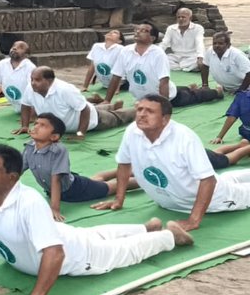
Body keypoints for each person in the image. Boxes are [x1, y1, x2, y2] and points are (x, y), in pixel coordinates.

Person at [0, 144, 192, 295]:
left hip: (77, 259)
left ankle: (169, 236)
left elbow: (56, 254)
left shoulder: (28, 203)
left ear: (12, 177)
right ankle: (143, 227)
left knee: (122, 252)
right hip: (67, 236)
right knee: (91, 233)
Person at [93, 95, 250, 230]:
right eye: (140, 109)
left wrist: (193, 220)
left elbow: (208, 180)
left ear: (165, 119)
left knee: (228, 185)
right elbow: (124, 164)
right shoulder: (133, 131)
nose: (142, 114)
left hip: (216, 201)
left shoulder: (184, 137)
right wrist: (119, 199)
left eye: (150, 111)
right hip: (170, 202)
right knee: (229, 178)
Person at [23, 114, 117, 221]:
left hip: (75, 189)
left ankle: (136, 178)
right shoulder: (29, 147)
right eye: (36, 123)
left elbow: (56, 179)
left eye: (43, 125)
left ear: (54, 137)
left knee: (110, 187)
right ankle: (121, 171)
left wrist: (55, 209)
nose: (35, 127)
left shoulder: (58, 150)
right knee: (94, 181)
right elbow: (16, 170)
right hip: (58, 188)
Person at [104, 23, 221, 109]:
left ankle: (216, 92)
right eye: (137, 29)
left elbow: (164, 81)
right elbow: (116, 77)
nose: (138, 32)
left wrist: (163, 107)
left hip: (169, 97)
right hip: (143, 98)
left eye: (144, 30)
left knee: (196, 96)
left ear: (152, 38)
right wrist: (107, 100)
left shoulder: (158, 54)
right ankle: (190, 87)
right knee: (185, 90)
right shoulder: (125, 51)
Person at [18, 67, 134, 140]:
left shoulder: (65, 89)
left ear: (49, 81)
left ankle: (136, 109)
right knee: (86, 106)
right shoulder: (30, 88)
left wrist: (80, 133)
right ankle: (111, 106)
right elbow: (25, 105)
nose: (33, 83)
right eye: (32, 79)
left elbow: (85, 110)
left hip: (93, 120)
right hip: (73, 116)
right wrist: (25, 126)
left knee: (119, 117)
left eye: (37, 80)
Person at [0, 41, 36, 117]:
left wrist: (31, 116)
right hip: (18, 108)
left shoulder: (30, 67)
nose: (15, 48)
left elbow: (35, 92)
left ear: (26, 55)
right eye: (13, 46)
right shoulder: (2, 64)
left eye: (20, 47)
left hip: (35, 109)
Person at [160, 7, 205, 72]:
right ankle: (186, 68)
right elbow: (164, 43)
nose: (181, 19)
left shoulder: (198, 28)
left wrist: (200, 57)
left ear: (190, 18)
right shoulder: (171, 28)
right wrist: (156, 53)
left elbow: (199, 43)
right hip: (176, 56)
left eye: (183, 17)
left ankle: (179, 67)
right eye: (179, 17)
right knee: (163, 59)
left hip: (191, 57)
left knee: (202, 61)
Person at [82, 29, 126, 93]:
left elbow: (121, 69)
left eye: (115, 33)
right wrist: (85, 86)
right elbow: (92, 67)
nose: (110, 33)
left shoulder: (121, 49)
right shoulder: (96, 46)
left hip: (123, 84)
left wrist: (116, 89)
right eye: (109, 32)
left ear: (119, 41)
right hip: (105, 83)